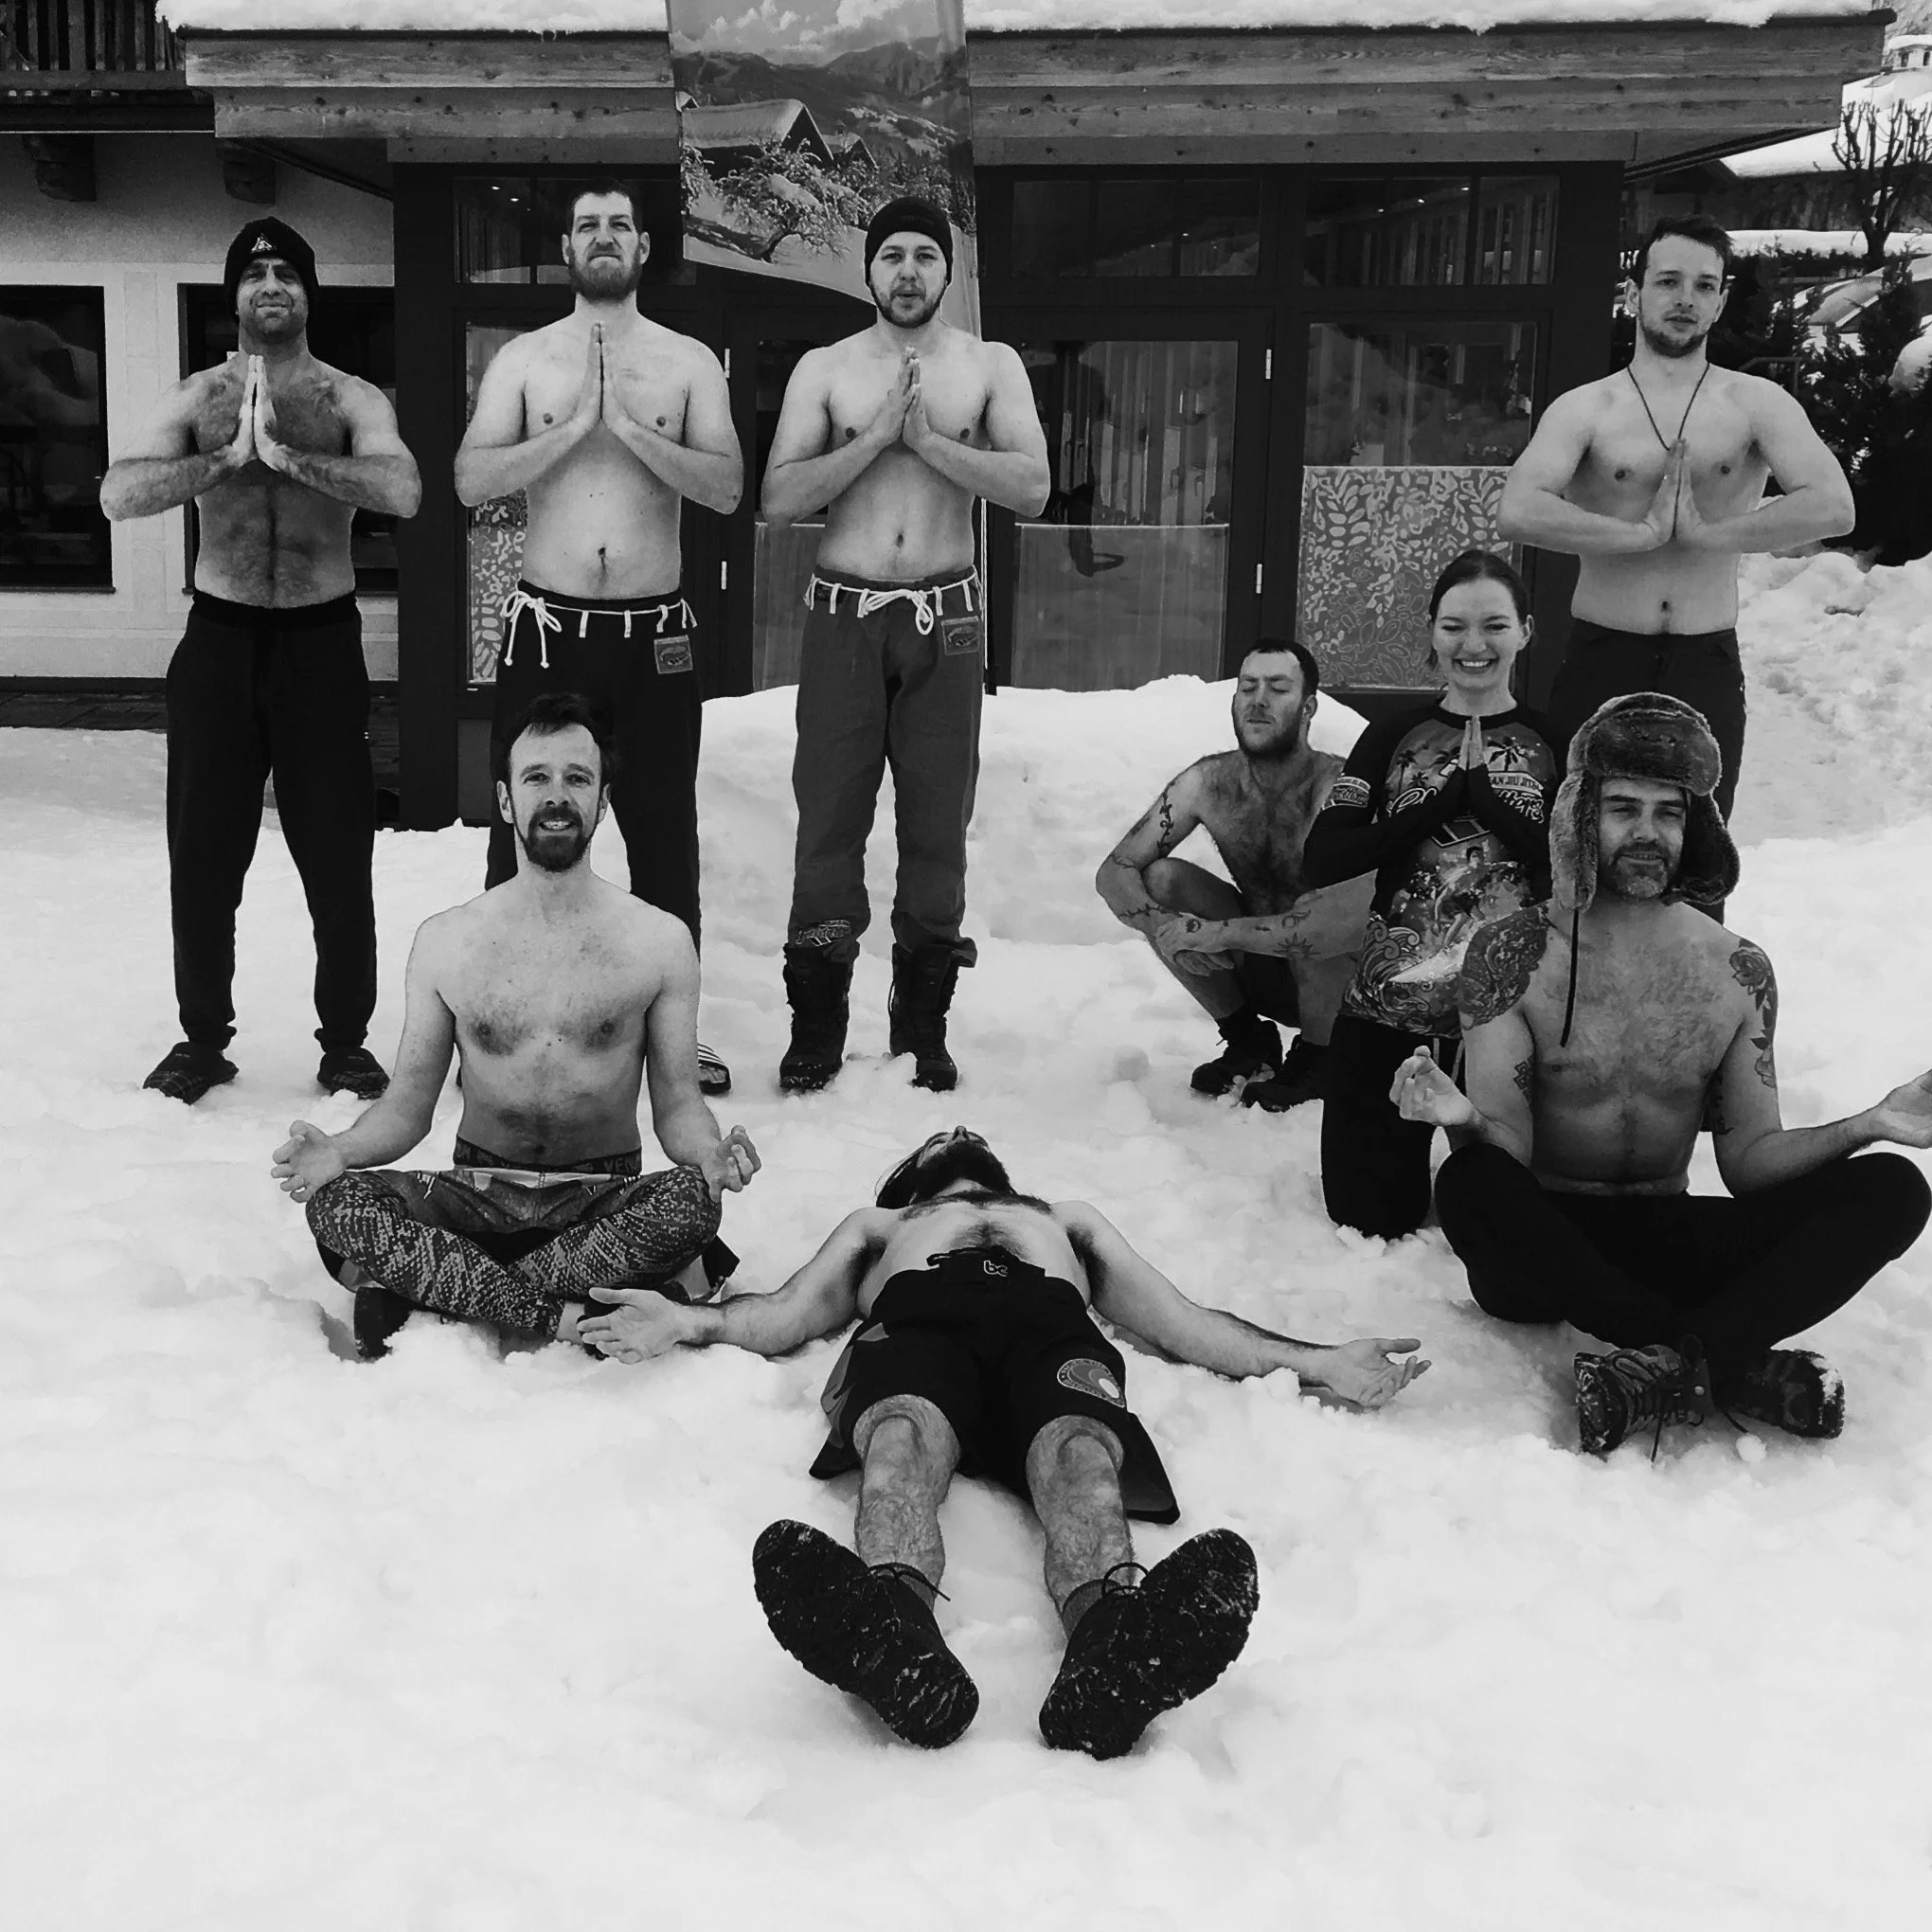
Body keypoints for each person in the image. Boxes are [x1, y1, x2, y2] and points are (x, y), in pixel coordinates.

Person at [582, 1124, 1427, 1758]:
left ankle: (1110, 1651)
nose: (958, 1132)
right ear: (911, 1177)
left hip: (1045, 1334)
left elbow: (1183, 1322)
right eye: (939, 1138)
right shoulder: (881, 1225)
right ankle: (897, 1640)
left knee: (1080, 1453)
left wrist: (1321, 1363)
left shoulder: (1066, 1220)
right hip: (922, 1327)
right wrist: (685, 1322)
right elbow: (785, 1314)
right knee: (899, 1439)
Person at [1391, 693, 1932, 1455]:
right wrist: (1463, 1121)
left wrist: (1868, 1124)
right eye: (1624, 809)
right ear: (1581, 816)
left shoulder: (1734, 970)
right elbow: (1505, 1151)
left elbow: (1750, 1162)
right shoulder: (1513, 954)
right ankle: (1725, 1359)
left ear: (1695, 827)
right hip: (1545, 1247)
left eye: (1668, 813)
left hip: (1666, 1234)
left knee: (1894, 1187)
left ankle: (1678, 1365)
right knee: (1470, 1181)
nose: (1648, 833)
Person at [269, 693, 760, 1361]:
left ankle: (442, 1290)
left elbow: (677, 1104)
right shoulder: (448, 941)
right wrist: (339, 1151)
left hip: (601, 1203)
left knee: (690, 1204)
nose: (556, 796)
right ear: (506, 800)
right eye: (536, 777)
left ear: (603, 802)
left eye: (577, 778)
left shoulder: (660, 942)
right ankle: (564, 1315)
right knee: (338, 1202)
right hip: (474, 1197)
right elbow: (408, 1107)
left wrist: (708, 1154)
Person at [101, 217, 422, 1105]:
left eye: (286, 272)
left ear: (309, 293)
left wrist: (289, 459)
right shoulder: (197, 397)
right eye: (254, 274)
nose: (271, 285)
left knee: (338, 853)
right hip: (220, 642)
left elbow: (401, 489)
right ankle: (202, 1040)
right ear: (234, 296)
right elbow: (120, 492)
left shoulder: (349, 399)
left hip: (321, 646)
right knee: (203, 855)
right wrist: (227, 461)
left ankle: (346, 1044)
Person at [455, 182, 743, 1096]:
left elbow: (726, 486)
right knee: (521, 829)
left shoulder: (686, 361)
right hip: (551, 631)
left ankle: (674, 1038)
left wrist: (627, 429)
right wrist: (574, 427)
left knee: (664, 836)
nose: (605, 237)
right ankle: (500, 1023)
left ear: (644, 248)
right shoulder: (527, 359)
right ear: (568, 249)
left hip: (655, 637)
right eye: (589, 226)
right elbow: (470, 478)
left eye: (620, 225)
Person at [761, 197, 1051, 1094]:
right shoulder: (826, 367)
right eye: (893, 255)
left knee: (937, 822)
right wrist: (876, 439)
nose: (909, 271)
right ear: (869, 270)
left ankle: (922, 1023)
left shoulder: (989, 365)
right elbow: (780, 497)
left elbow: (1032, 486)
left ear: (948, 272)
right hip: (844, 615)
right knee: (829, 816)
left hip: (946, 618)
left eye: (927, 254)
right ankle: (818, 1024)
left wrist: (926, 442)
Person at [1498, 213, 1854, 830]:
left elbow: (1833, 505)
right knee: (1580, 837)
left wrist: (1709, 535)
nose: (1685, 299)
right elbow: (1518, 510)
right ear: (1634, 294)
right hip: (1604, 652)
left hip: (1704, 657)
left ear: (1720, 303)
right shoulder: (1588, 408)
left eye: (1704, 285)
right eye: (1668, 281)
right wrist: (1636, 536)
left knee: (1700, 845)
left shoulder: (1756, 404)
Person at [1302, 553, 1558, 1239]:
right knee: (1367, 1217)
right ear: (1431, 632)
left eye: (1494, 625)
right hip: (1391, 1006)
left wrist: (1492, 807)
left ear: (1526, 631)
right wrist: (1434, 804)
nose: (1474, 644)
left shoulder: (1555, 741)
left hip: (1512, 1017)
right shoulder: (1392, 736)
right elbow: (1323, 858)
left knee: (1512, 1216)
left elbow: (1582, 871)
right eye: (1454, 626)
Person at [1095, 638, 1371, 1111]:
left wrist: (1216, 933)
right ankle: (1247, 1040)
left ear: (1308, 708)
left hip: (1339, 981)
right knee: (1162, 880)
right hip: (1261, 965)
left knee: (1319, 905)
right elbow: (1114, 871)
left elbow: (1356, 915)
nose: (1258, 701)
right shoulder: (1209, 782)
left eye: (1277, 689)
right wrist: (1166, 928)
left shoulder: (1339, 788)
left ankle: (1319, 1056)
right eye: (1247, 687)